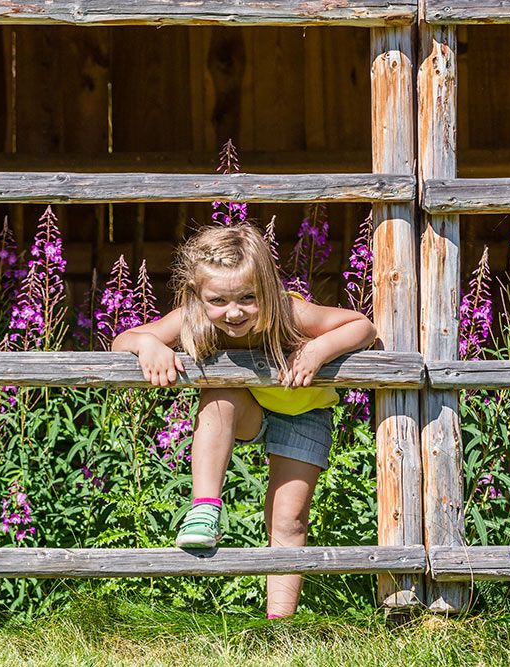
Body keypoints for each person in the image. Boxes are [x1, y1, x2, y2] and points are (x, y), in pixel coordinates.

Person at [112, 223, 376, 618]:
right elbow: (123, 339)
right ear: (197, 294)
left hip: (304, 412)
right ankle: (204, 509)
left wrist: (319, 349)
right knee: (220, 393)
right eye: (218, 300)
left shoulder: (289, 311)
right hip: (248, 408)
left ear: (267, 288)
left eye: (248, 298)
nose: (233, 312)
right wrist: (148, 344)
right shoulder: (193, 317)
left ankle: (279, 624)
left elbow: (363, 326)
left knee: (289, 519)